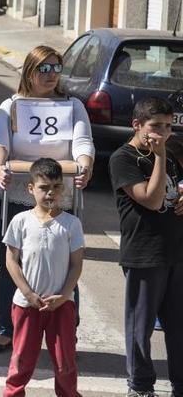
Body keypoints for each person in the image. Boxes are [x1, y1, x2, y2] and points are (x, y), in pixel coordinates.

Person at [0, 45, 94, 355]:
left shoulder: (73, 105)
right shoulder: (12, 105)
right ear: (29, 72)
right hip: (17, 195)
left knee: (65, 261)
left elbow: (83, 141)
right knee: (10, 261)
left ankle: (66, 328)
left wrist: (84, 166)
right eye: (43, 69)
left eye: (55, 68)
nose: (50, 75)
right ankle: (8, 328)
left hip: (57, 197)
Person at [109, 97, 183, 397]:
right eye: (156, 127)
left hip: (177, 251)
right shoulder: (123, 158)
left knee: (179, 327)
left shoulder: (173, 151)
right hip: (145, 253)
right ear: (136, 125)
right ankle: (140, 385)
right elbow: (152, 200)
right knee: (141, 328)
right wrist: (161, 156)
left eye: (168, 126)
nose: (163, 133)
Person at [2, 158, 85, 397]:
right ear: (31, 188)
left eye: (56, 186)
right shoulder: (21, 221)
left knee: (65, 361)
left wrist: (64, 295)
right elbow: (11, 261)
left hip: (61, 304)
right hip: (28, 304)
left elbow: (76, 264)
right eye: (43, 187)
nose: (50, 192)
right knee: (22, 359)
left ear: (63, 188)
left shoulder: (72, 224)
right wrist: (28, 293)